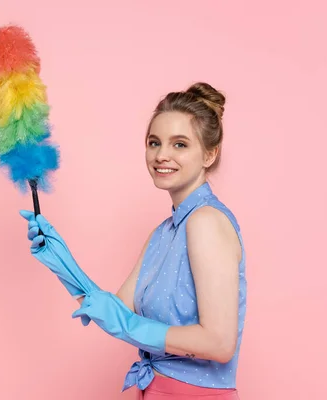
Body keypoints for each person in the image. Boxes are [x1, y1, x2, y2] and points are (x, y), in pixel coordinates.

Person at [20, 82, 247, 399]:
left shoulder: (206, 222)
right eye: (154, 142)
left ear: (210, 154)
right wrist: (61, 261)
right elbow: (114, 310)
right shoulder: (163, 232)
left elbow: (220, 343)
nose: (161, 155)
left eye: (179, 144)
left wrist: (128, 325)